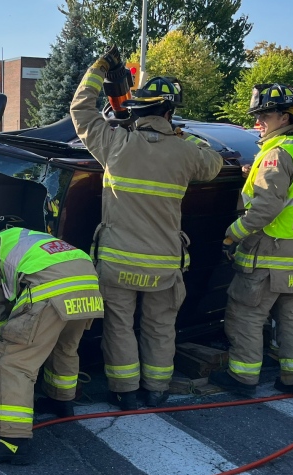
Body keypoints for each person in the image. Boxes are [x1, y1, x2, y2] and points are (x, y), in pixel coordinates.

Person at [70, 47, 223, 410]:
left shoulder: (114, 143)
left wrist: (98, 68)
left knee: (119, 326)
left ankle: (124, 392)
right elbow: (215, 161)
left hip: (117, 263)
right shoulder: (186, 152)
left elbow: (81, 110)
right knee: (159, 327)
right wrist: (183, 136)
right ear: (169, 114)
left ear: (136, 111)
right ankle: (157, 389)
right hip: (163, 265)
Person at [209, 84, 293, 398]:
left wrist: (234, 233)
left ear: (284, 116)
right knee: (292, 315)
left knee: (246, 313)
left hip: (272, 252)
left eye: (264, 114)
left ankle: (243, 379)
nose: (258, 121)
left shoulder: (276, 152)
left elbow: (266, 207)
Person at [0, 216, 103, 464]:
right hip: (89, 287)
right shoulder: (35, 238)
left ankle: (13, 442)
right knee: (64, 347)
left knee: (13, 361)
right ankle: (61, 402)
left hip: (52, 291)